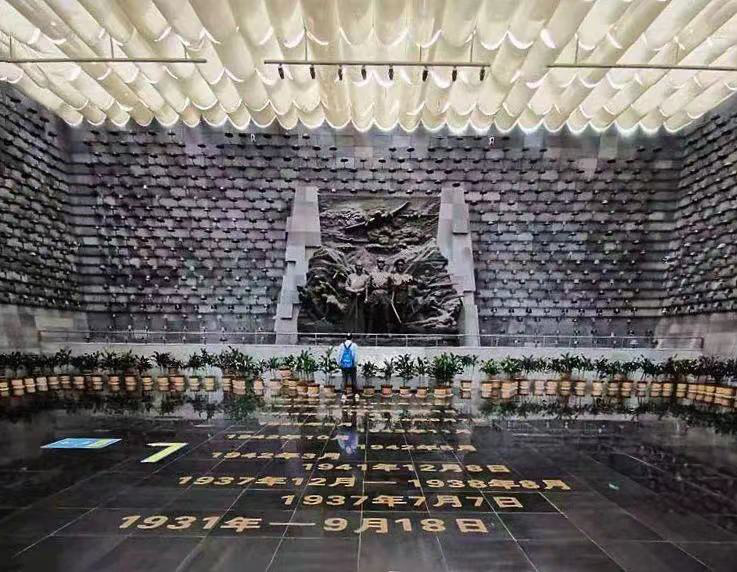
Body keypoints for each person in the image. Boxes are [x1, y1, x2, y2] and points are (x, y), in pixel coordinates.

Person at [337, 333, 359, 402]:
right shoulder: (354, 345)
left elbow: (338, 355)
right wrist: (355, 364)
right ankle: (355, 393)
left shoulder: (341, 345)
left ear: (346, 338)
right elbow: (356, 356)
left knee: (344, 379)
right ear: (352, 338)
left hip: (344, 365)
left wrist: (339, 363)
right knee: (353, 379)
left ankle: (344, 394)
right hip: (352, 365)